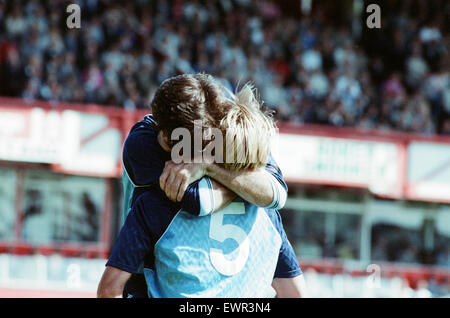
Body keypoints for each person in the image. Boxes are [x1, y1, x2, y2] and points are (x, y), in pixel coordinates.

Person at [97, 74, 306, 297]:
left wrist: (209, 166)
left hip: (145, 277)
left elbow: (109, 289)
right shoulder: (264, 211)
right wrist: (239, 186)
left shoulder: (154, 207)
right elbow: (295, 292)